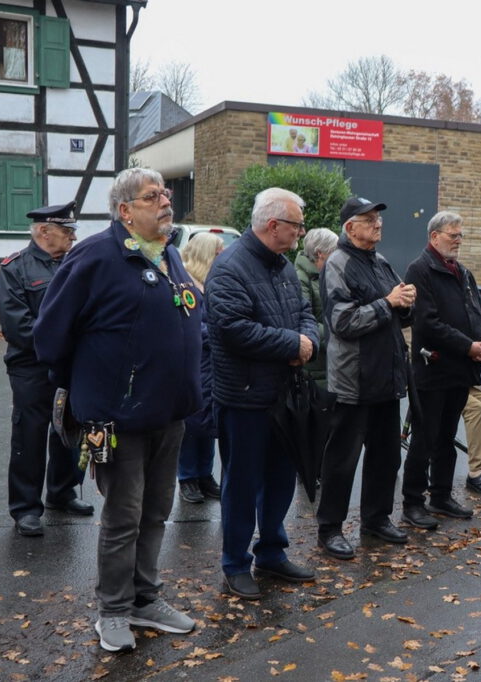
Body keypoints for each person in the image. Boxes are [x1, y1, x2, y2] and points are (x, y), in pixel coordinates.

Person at [35, 168, 201, 652]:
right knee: (124, 517)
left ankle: (145, 599)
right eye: (153, 197)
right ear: (125, 210)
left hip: (169, 414)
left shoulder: (168, 252)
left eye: (166, 194)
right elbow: (51, 337)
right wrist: (92, 387)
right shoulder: (94, 256)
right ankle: (112, 610)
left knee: (157, 512)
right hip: (116, 418)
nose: (165, 202)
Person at [205, 187, 318, 600]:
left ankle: (271, 551)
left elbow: (307, 313)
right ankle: (235, 563)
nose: (301, 232)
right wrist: (293, 345)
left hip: (281, 395)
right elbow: (233, 330)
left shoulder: (284, 267)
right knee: (242, 482)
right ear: (274, 225)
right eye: (297, 225)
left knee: (280, 479)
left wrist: (307, 340)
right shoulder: (231, 268)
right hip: (244, 398)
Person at [316, 197, 414, 560]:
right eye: (368, 219)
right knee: (342, 459)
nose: (378, 225)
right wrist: (389, 303)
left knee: (387, 456)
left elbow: (397, 313)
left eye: (378, 219)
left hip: (386, 376)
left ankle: (377, 518)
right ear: (349, 228)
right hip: (354, 379)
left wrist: (407, 302)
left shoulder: (381, 261)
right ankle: (329, 529)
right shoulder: (337, 264)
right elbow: (342, 323)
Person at [0, 201, 92, 537]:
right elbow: (18, 328)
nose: (71, 238)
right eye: (66, 231)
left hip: (70, 366)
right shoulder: (15, 269)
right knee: (31, 435)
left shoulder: (75, 265)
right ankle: (25, 508)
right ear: (43, 231)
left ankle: (62, 492)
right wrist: (64, 344)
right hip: (32, 368)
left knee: (68, 430)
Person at [402, 211, 481, 529]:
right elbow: (428, 323)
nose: (458, 241)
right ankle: (413, 503)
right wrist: (468, 346)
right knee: (424, 439)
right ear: (434, 236)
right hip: (433, 369)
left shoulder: (462, 272)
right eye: (452, 235)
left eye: (460, 235)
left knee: (446, 436)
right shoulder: (421, 270)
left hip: (461, 372)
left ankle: (441, 495)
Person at [176, 232, 225, 504]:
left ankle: (205, 474)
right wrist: (220, 335)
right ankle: (187, 477)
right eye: (217, 252)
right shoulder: (187, 284)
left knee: (208, 422)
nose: (222, 256)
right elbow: (190, 327)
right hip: (194, 363)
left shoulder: (212, 282)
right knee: (190, 422)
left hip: (213, 364)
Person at [295, 228, 339, 395]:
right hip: (316, 366)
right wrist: (336, 336)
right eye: (334, 252)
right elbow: (305, 319)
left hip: (331, 362)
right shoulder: (301, 278)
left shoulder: (329, 274)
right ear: (320, 253)